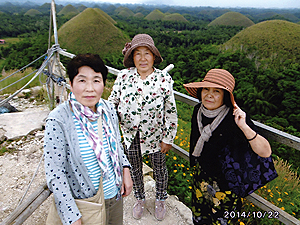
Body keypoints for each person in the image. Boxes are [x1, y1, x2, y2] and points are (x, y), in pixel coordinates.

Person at [44, 53, 133, 225]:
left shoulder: (107, 109)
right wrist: (71, 216)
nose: (90, 88)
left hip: (114, 197)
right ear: (71, 84)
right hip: (85, 205)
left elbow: (116, 145)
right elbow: (55, 173)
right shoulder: (59, 120)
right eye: (82, 80)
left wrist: (126, 169)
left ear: (104, 84)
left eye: (96, 80)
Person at [183, 69, 272, 224]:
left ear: (225, 95)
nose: (209, 95)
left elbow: (265, 151)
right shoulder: (198, 110)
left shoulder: (234, 118)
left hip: (226, 186)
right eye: (206, 89)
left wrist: (244, 126)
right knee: (199, 216)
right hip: (201, 177)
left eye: (216, 91)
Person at [108, 34, 178, 221]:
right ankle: (139, 198)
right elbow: (112, 102)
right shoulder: (124, 76)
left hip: (155, 135)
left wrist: (168, 138)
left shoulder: (163, 79)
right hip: (130, 135)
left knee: (159, 168)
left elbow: (170, 111)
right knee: (134, 169)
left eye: (147, 53)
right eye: (137, 54)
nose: (143, 58)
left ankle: (161, 198)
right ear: (132, 58)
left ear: (154, 56)